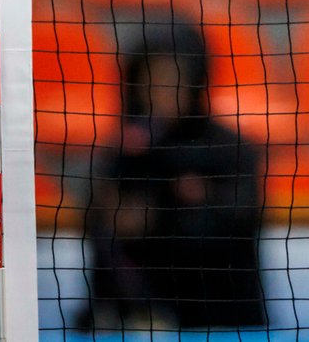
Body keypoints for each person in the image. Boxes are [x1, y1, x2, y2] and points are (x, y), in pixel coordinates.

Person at [78, 22, 268, 331]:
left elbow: (241, 218)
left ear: (194, 80)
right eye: (151, 79)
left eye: (171, 79)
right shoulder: (125, 151)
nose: (159, 90)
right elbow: (102, 228)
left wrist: (188, 204)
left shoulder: (229, 148)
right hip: (138, 320)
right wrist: (110, 214)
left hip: (221, 317)